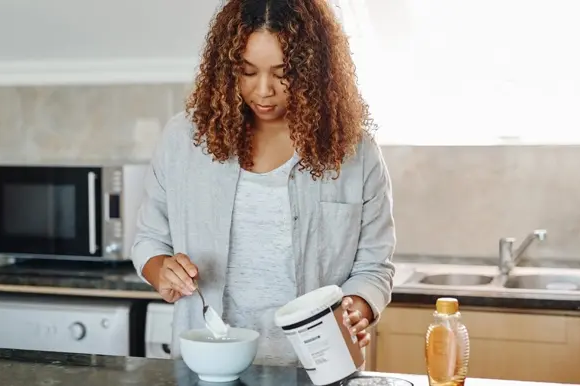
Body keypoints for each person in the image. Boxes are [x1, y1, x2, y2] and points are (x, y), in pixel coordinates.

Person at [131, 0, 396, 367]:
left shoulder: (355, 152)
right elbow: (148, 239)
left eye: (283, 72)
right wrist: (162, 270)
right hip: (209, 365)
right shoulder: (184, 140)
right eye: (247, 71)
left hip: (319, 367)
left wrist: (357, 307)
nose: (264, 90)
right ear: (226, 69)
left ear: (312, 69)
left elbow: (374, 266)